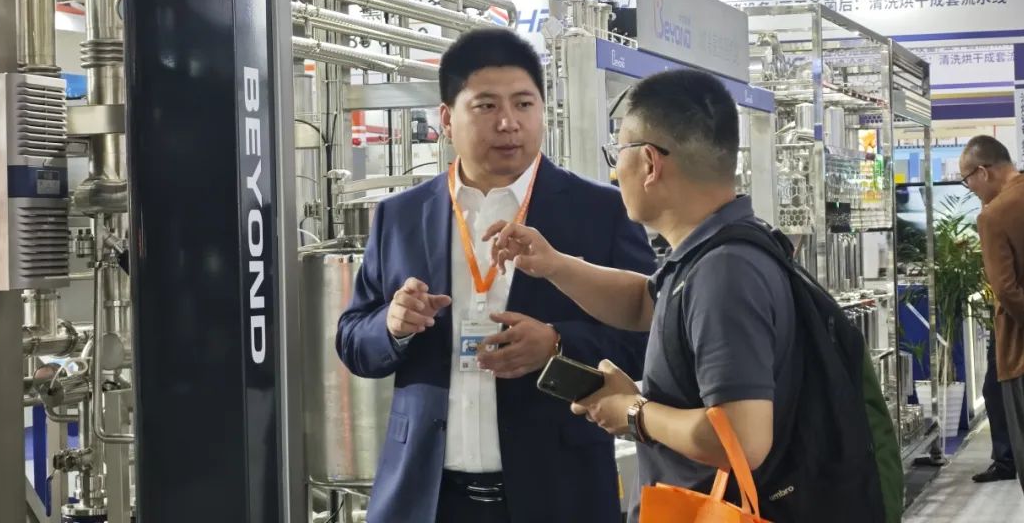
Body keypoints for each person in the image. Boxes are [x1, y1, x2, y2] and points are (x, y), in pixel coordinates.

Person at [335, 28, 654, 523]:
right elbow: (353, 339)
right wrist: (393, 326)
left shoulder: (601, 212)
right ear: (446, 118)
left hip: (558, 493)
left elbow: (649, 336)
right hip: (426, 497)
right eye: (486, 106)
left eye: (524, 104)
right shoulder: (401, 215)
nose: (509, 123)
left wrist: (557, 344)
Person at [486, 69, 797, 521]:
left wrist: (633, 411)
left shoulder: (724, 272)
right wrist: (554, 264)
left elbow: (742, 438)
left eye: (618, 154)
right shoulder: (710, 253)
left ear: (650, 163)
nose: (615, 172)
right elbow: (645, 304)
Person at [959, 135, 1024, 513]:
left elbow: (1005, 289)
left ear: (983, 172)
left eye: (966, 179)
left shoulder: (993, 215)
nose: (969, 188)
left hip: (1022, 352)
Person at [973, 327, 1016, 483]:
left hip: (1011, 327)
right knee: (995, 391)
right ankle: (1005, 460)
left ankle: (1005, 462)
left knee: (994, 391)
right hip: (1009, 328)